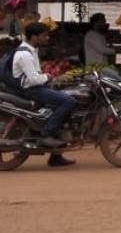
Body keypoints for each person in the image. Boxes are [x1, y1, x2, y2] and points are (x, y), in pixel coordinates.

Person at [12, 22, 76, 165]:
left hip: (37, 87)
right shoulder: (24, 54)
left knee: (59, 108)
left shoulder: (32, 50)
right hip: (31, 90)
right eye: (44, 36)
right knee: (69, 101)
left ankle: (56, 157)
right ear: (34, 37)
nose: (47, 38)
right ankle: (46, 134)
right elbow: (34, 80)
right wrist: (48, 76)